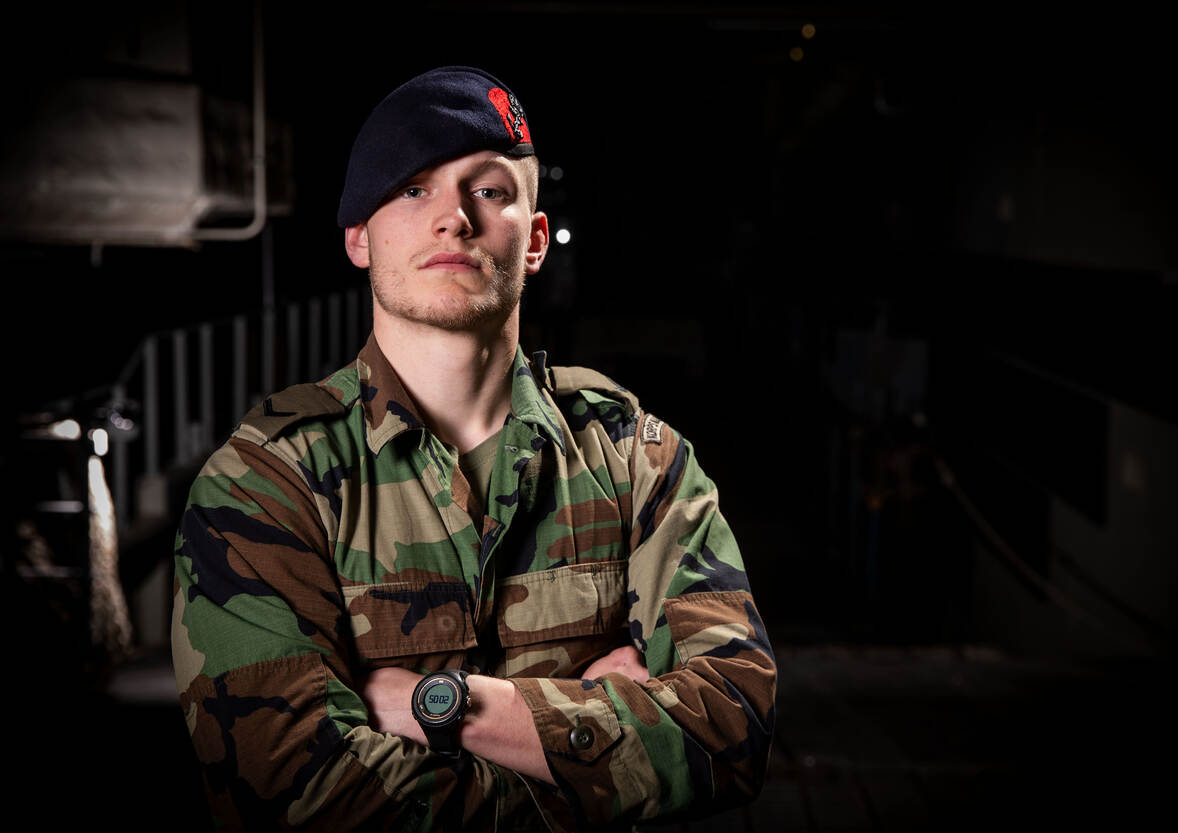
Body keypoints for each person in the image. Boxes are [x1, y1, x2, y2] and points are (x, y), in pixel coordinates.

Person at [172, 65, 776, 832]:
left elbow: (733, 726)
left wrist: (448, 706)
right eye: (412, 189)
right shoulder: (267, 480)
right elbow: (287, 791)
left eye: (488, 189)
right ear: (358, 237)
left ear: (535, 240)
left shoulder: (633, 459)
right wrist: (596, 753)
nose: (453, 218)